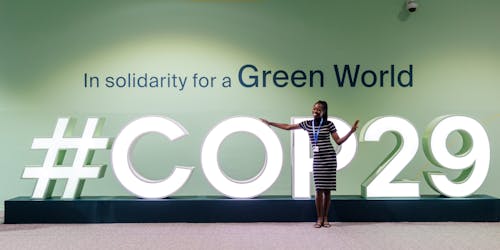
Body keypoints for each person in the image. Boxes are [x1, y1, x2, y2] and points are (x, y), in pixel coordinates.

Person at [261, 100, 358, 228]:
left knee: (327, 191)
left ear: (324, 111)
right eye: (314, 108)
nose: (315, 111)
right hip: (318, 160)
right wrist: (270, 123)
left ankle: (326, 218)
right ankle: (319, 218)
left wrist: (351, 131)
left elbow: (338, 141)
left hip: (329, 159)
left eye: (318, 109)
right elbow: (288, 127)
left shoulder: (329, 124)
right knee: (318, 190)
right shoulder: (308, 124)